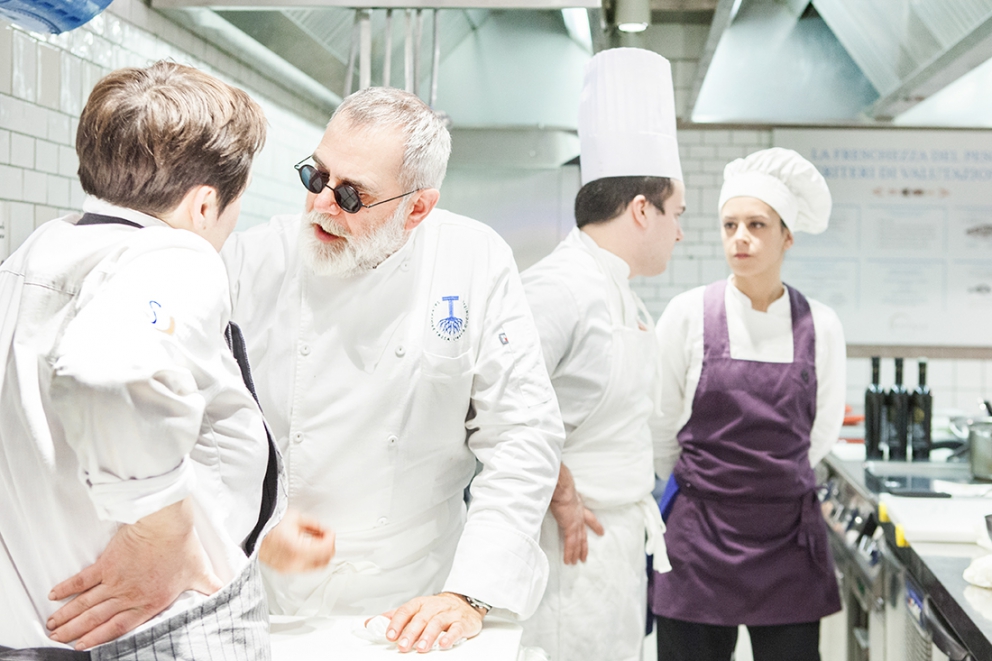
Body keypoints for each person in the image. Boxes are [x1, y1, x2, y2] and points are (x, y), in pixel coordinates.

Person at [221, 86, 564, 653]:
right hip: (266, 594)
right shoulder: (253, 259)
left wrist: (471, 593)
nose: (322, 206)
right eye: (316, 178)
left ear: (418, 208)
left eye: (353, 196)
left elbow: (522, 434)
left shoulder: (473, 261)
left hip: (413, 602)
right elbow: (195, 422)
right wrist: (244, 524)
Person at [0, 61, 281, 659]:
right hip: (164, 631)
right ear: (205, 204)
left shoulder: (35, 255)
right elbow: (112, 373)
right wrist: (159, 529)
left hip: (41, 628)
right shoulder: (173, 256)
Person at [519, 48, 683, 661]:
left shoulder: (619, 291)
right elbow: (490, 406)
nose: (680, 232)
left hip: (613, 542)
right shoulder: (560, 288)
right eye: (678, 213)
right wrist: (560, 488)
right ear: (643, 209)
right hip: (566, 547)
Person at [650, 147, 845, 661]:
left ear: (787, 236)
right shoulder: (688, 314)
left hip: (786, 543)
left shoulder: (820, 324)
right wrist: (713, 486)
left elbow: (820, 433)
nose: (741, 237)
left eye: (757, 225)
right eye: (730, 224)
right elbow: (660, 424)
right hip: (699, 540)